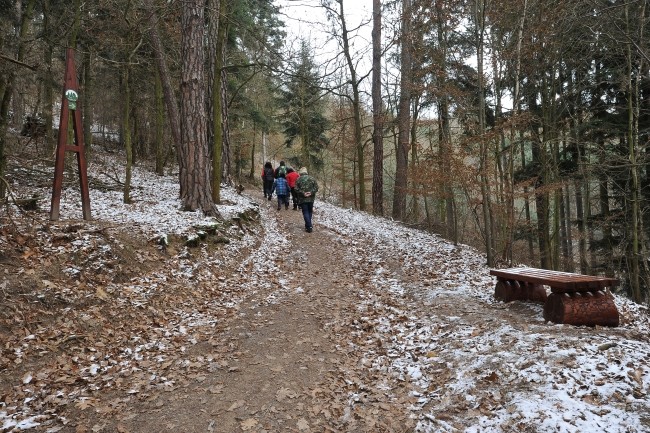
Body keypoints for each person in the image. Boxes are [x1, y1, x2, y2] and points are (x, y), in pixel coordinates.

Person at [295, 167, 318, 232]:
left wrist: (303, 193)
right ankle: (308, 225)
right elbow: (316, 188)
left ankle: (309, 226)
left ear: (300, 172)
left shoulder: (298, 179)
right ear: (306, 172)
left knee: (305, 212)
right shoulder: (312, 178)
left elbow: (296, 189)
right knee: (310, 211)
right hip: (311, 199)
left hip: (302, 199)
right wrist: (311, 192)